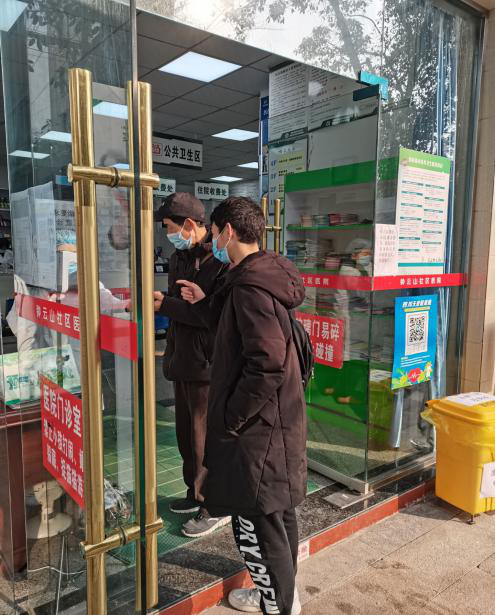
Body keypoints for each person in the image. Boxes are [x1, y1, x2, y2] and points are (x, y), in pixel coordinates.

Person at [179, 197, 306, 615]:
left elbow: (267, 363)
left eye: (214, 232)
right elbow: (242, 333)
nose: (212, 240)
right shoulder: (262, 275)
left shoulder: (249, 288)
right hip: (277, 425)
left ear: (228, 232)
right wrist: (206, 302)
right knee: (279, 520)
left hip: (257, 436)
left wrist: (232, 419)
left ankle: (277, 605)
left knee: (258, 531)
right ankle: (283, 599)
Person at [152, 192, 229, 538]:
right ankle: (193, 492)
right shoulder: (179, 257)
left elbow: (212, 316)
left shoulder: (219, 261)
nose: (168, 234)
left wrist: (166, 306)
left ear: (188, 224)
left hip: (205, 363)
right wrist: (166, 302)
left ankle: (213, 505)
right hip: (182, 358)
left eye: (170, 227)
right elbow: (180, 304)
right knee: (185, 435)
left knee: (202, 438)